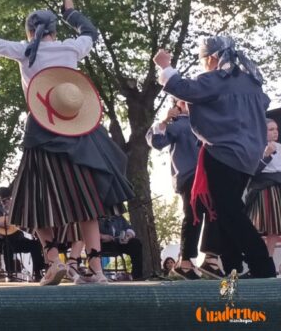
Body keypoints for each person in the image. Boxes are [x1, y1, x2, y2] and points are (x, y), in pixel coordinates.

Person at [0, 0, 134, 285]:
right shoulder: (71, 47)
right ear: (54, 31)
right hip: (77, 131)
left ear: (30, 32)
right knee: (88, 203)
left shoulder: (23, 51)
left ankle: (53, 262)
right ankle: (96, 270)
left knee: (33, 203)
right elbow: (90, 32)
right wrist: (71, 12)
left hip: (41, 133)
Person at [154, 37, 277, 278]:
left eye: (203, 61)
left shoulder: (216, 80)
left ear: (211, 58)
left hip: (224, 152)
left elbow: (184, 89)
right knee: (223, 211)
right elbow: (262, 104)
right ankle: (231, 265)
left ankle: (262, 265)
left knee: (229, 211)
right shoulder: (251, 82)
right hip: (248, 156)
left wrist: (165, 66)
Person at [147, 97, 224, 279]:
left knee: (217, 211)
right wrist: (165, 120)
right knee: (194, 215)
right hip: (190, 176)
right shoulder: (178, 125)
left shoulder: (205, 121)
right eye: (183, 101)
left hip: (210, 175)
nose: (189, 104)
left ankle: (209, 258)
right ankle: (187, 262)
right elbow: (156, 142)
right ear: (177, 105)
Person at [0, 187, 44, 282]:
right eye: (4, 199)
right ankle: (10, 273)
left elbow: (26, 221)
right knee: (7, 246)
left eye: (9, 198)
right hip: (0, 240)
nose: (7, 201)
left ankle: (38, 272)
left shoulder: (17, 208)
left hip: (18, 239)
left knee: (35, 245)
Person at [246, 118, 281, 263]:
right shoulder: (255, 147)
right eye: (271, 129)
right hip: (261, 189)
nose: (275, 132)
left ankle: (269, 258)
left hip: (277, 187)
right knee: (257, 226)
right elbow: (252, 171)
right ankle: (256, 258)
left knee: (274, 226)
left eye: (276, 129)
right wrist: (266, 156)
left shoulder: (280, 147)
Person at [98, 215, 144, 280]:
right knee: (95, 247)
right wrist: (102, 236)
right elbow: (87, 231)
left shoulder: (117, 214)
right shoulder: (96, 213)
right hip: (100, 244)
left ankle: (137, 277)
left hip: (118, 243)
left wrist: (128, 236)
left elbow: (129, 229)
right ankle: (97, 274)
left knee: (135, 243)